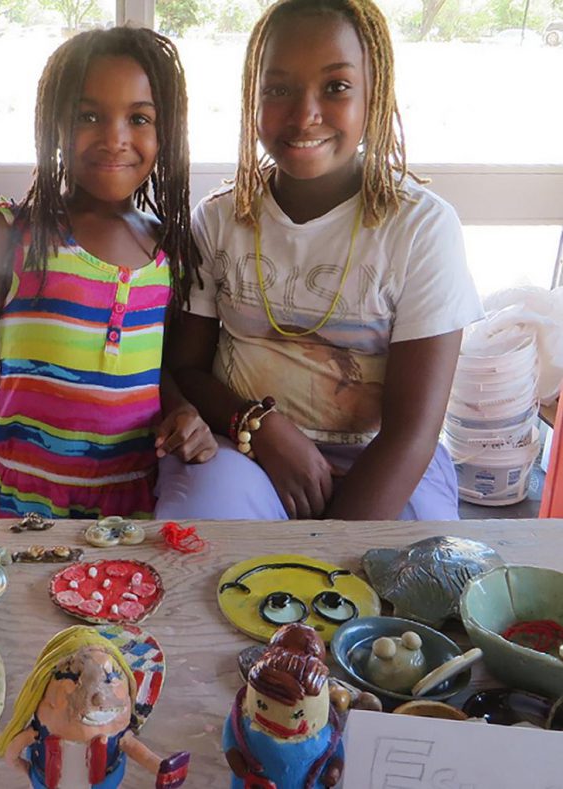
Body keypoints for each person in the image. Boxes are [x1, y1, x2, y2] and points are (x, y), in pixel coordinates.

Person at [156, 0, 484, 522]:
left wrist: (326, 559)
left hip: (384, 456)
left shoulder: (420, 228)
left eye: (336, 87)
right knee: (207, 530)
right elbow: (185, 369)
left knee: (409, 576)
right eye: (279, 89)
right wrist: (261, 427)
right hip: (243, 446)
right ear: (252, 98)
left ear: (372, 96)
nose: (305, 113)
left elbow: (412, 432)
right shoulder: (219, 219)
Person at [0, 27, 216, 519]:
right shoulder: (9, 236)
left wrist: (181, 410)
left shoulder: (169, 250)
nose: (115, 138)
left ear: (164, 131)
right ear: (54, 125)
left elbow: (155, 372)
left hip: (127, 514)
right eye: (89, 116)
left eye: (139, 118)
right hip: (12, 507)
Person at [0, 626, 189, 788]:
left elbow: (141, 754)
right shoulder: (38, 732)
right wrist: (28, 772)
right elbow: (12, 754)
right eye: (73, 678)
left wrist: (162, 768)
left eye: (111, 677)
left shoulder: (118, 735)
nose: (98, 699)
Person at [223, 622, 344, 787]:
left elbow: (336, 751)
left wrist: (334, 770)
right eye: (262, 705)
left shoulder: (326, 734)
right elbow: (231, 733)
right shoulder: (243, 722)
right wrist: (233, 756)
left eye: (297, 715)